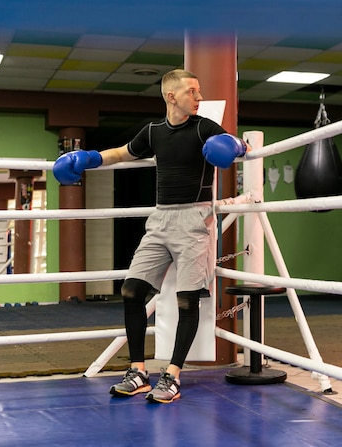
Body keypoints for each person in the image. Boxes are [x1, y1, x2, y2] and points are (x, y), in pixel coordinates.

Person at [53, 69, 248, 403]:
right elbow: (123, 153)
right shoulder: (154, 132)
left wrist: (235, 145)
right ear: (171, 96)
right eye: (192, 92)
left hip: (194, 219)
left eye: (199, 92)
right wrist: (89, 158)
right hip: (160, 219)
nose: (199, 98)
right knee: (131, 291)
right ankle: (138, 371)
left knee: (187, 299)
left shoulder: (204, 128)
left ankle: (171, 376)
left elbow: (238, 147)